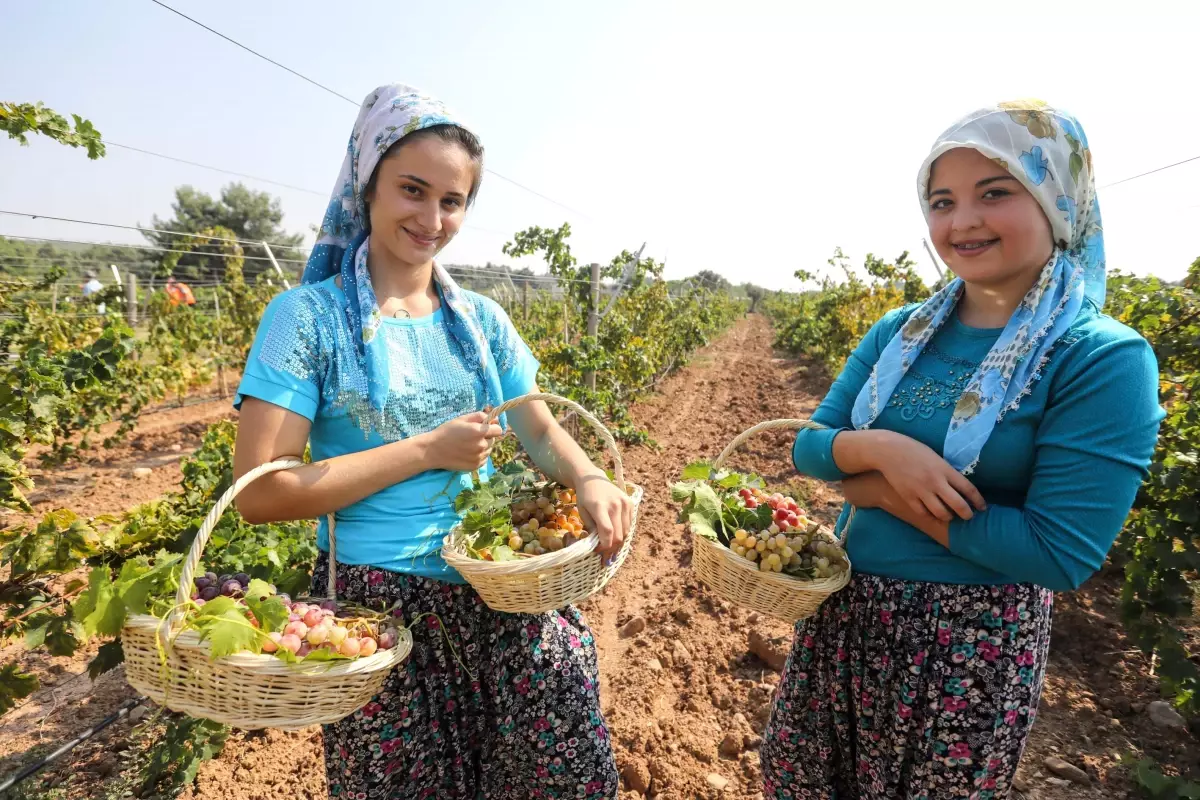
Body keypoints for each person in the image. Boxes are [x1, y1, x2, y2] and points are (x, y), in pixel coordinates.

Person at [231, 84, 631, 799]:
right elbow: (260, 492)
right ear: (369, 185)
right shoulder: (307, 320)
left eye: (452, 201)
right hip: (380, 616)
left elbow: (536, 427)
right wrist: (426, 451)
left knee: (564, 774)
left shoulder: (480, 320)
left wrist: (589, 477)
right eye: (412, 190)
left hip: (501, 590)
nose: (432, 218)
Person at [761, 101, 1163, 798]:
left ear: (1057, 201)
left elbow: (1057, 554)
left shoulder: (1102, 359)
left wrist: (880, 490)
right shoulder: (900, 332)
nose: (962, 222)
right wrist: (884, 449)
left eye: (996, 193)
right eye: (942, 201)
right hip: (842, 615)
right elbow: (810, 448)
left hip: (966, 650)